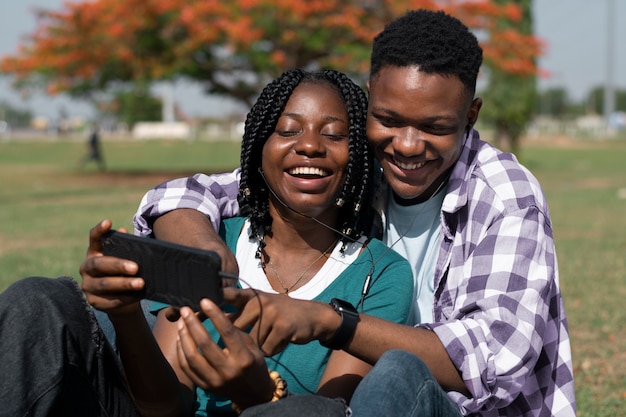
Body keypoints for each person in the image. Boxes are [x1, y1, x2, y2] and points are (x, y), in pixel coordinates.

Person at [133, 9, 576, 417]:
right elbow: (194, 193)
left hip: (461, 409)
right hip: (360, 396)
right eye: (388, 119)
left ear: (471, 115)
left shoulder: (505, 197)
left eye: (435, 127)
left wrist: (333, 321)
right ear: (370, 101)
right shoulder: (360, 166)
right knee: (104, 318)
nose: (406, 145)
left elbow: (495, 358)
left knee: (397, 372)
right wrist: (208, 255)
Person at [0, 69, 413, 417]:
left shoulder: (380, 274)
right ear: (257, 151)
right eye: (287, 130)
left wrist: (257, 395)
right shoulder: (213, 241)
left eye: (334, 134)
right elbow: (164, 406)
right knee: (35, 298)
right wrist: (126, 314)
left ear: (357, 155)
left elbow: (328, 410)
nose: (309, 145)